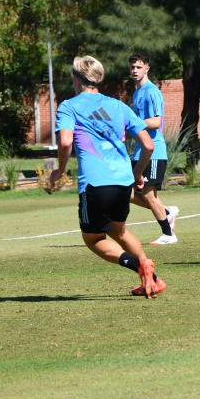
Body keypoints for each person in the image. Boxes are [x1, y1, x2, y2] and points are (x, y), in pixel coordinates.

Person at [50, 55, 166, 298]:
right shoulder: (119, 106)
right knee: (120, 231)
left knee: (93, 239)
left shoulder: (69, 106)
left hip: (96, 183)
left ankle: (140, 266)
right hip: (123, 182)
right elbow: (148, 146)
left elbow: (65, 141)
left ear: (76, 79)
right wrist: (136, 176)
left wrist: (60, 170)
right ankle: (153, 280)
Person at [128, 51, 178, 244]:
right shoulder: (136, 92)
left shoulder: (152, 91)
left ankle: (168, 234)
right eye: (132, 67)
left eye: (139, 67)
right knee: (128, 192)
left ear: (147, 69)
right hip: (139, 151)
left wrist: (133, 123)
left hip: (154, 151)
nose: (135, 70)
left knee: (148, 194)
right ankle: (166, 212)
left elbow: (156, 122)